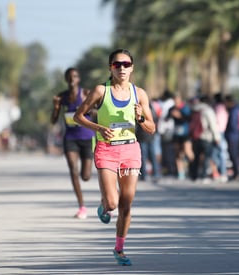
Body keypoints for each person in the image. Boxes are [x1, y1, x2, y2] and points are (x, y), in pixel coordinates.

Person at [74, 49, 156, 266]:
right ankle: (103, 205)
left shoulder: (140, 94)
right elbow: (78, 116)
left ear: (132, 67)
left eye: (126, 64)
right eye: (116, 64)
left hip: (130, 151)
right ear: (110, 67)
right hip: (107, 150)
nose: (122, 68)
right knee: (112, 202)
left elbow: (151, 128)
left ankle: (119, 249)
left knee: (126, 205)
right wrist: (98, 127)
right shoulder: (101, 91)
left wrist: (140, 118)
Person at [51, 67, 95, 219]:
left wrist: (88, 111)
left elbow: (97, 112)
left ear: (79, 79)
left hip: (87, 137)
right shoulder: (61, 97)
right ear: (66, 79)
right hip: (70, 137)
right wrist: (56, 107)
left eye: (75, 76)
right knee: (73, 170)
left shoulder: (86, 93)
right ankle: (82, 206)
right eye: (69, 77)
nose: (72, 79)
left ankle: (84, 202)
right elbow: (53, 120)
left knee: (86, 176)